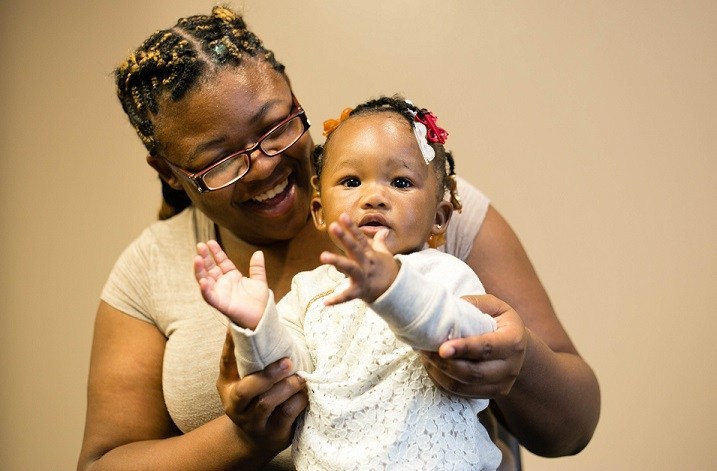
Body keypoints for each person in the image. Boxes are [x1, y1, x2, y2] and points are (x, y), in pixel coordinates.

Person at [77, 5, 599, 471]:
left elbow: (572, 429)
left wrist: (519, 360)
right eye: (222, 159)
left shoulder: (427, 215)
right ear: (168, 172)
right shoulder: (152, 269)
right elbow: (104, 461)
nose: (263, 166)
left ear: (294, 99)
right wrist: (242, 436)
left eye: (275, 126)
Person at [194, 96, 502, 470]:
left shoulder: (445, 274)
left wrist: (395, 288)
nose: (374, 197)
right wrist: (257, 325)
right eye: (352, 181)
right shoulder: (308, 291)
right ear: (320, 211)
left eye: (401, 182)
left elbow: (473, 339)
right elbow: (288, 375)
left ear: (439, 218)